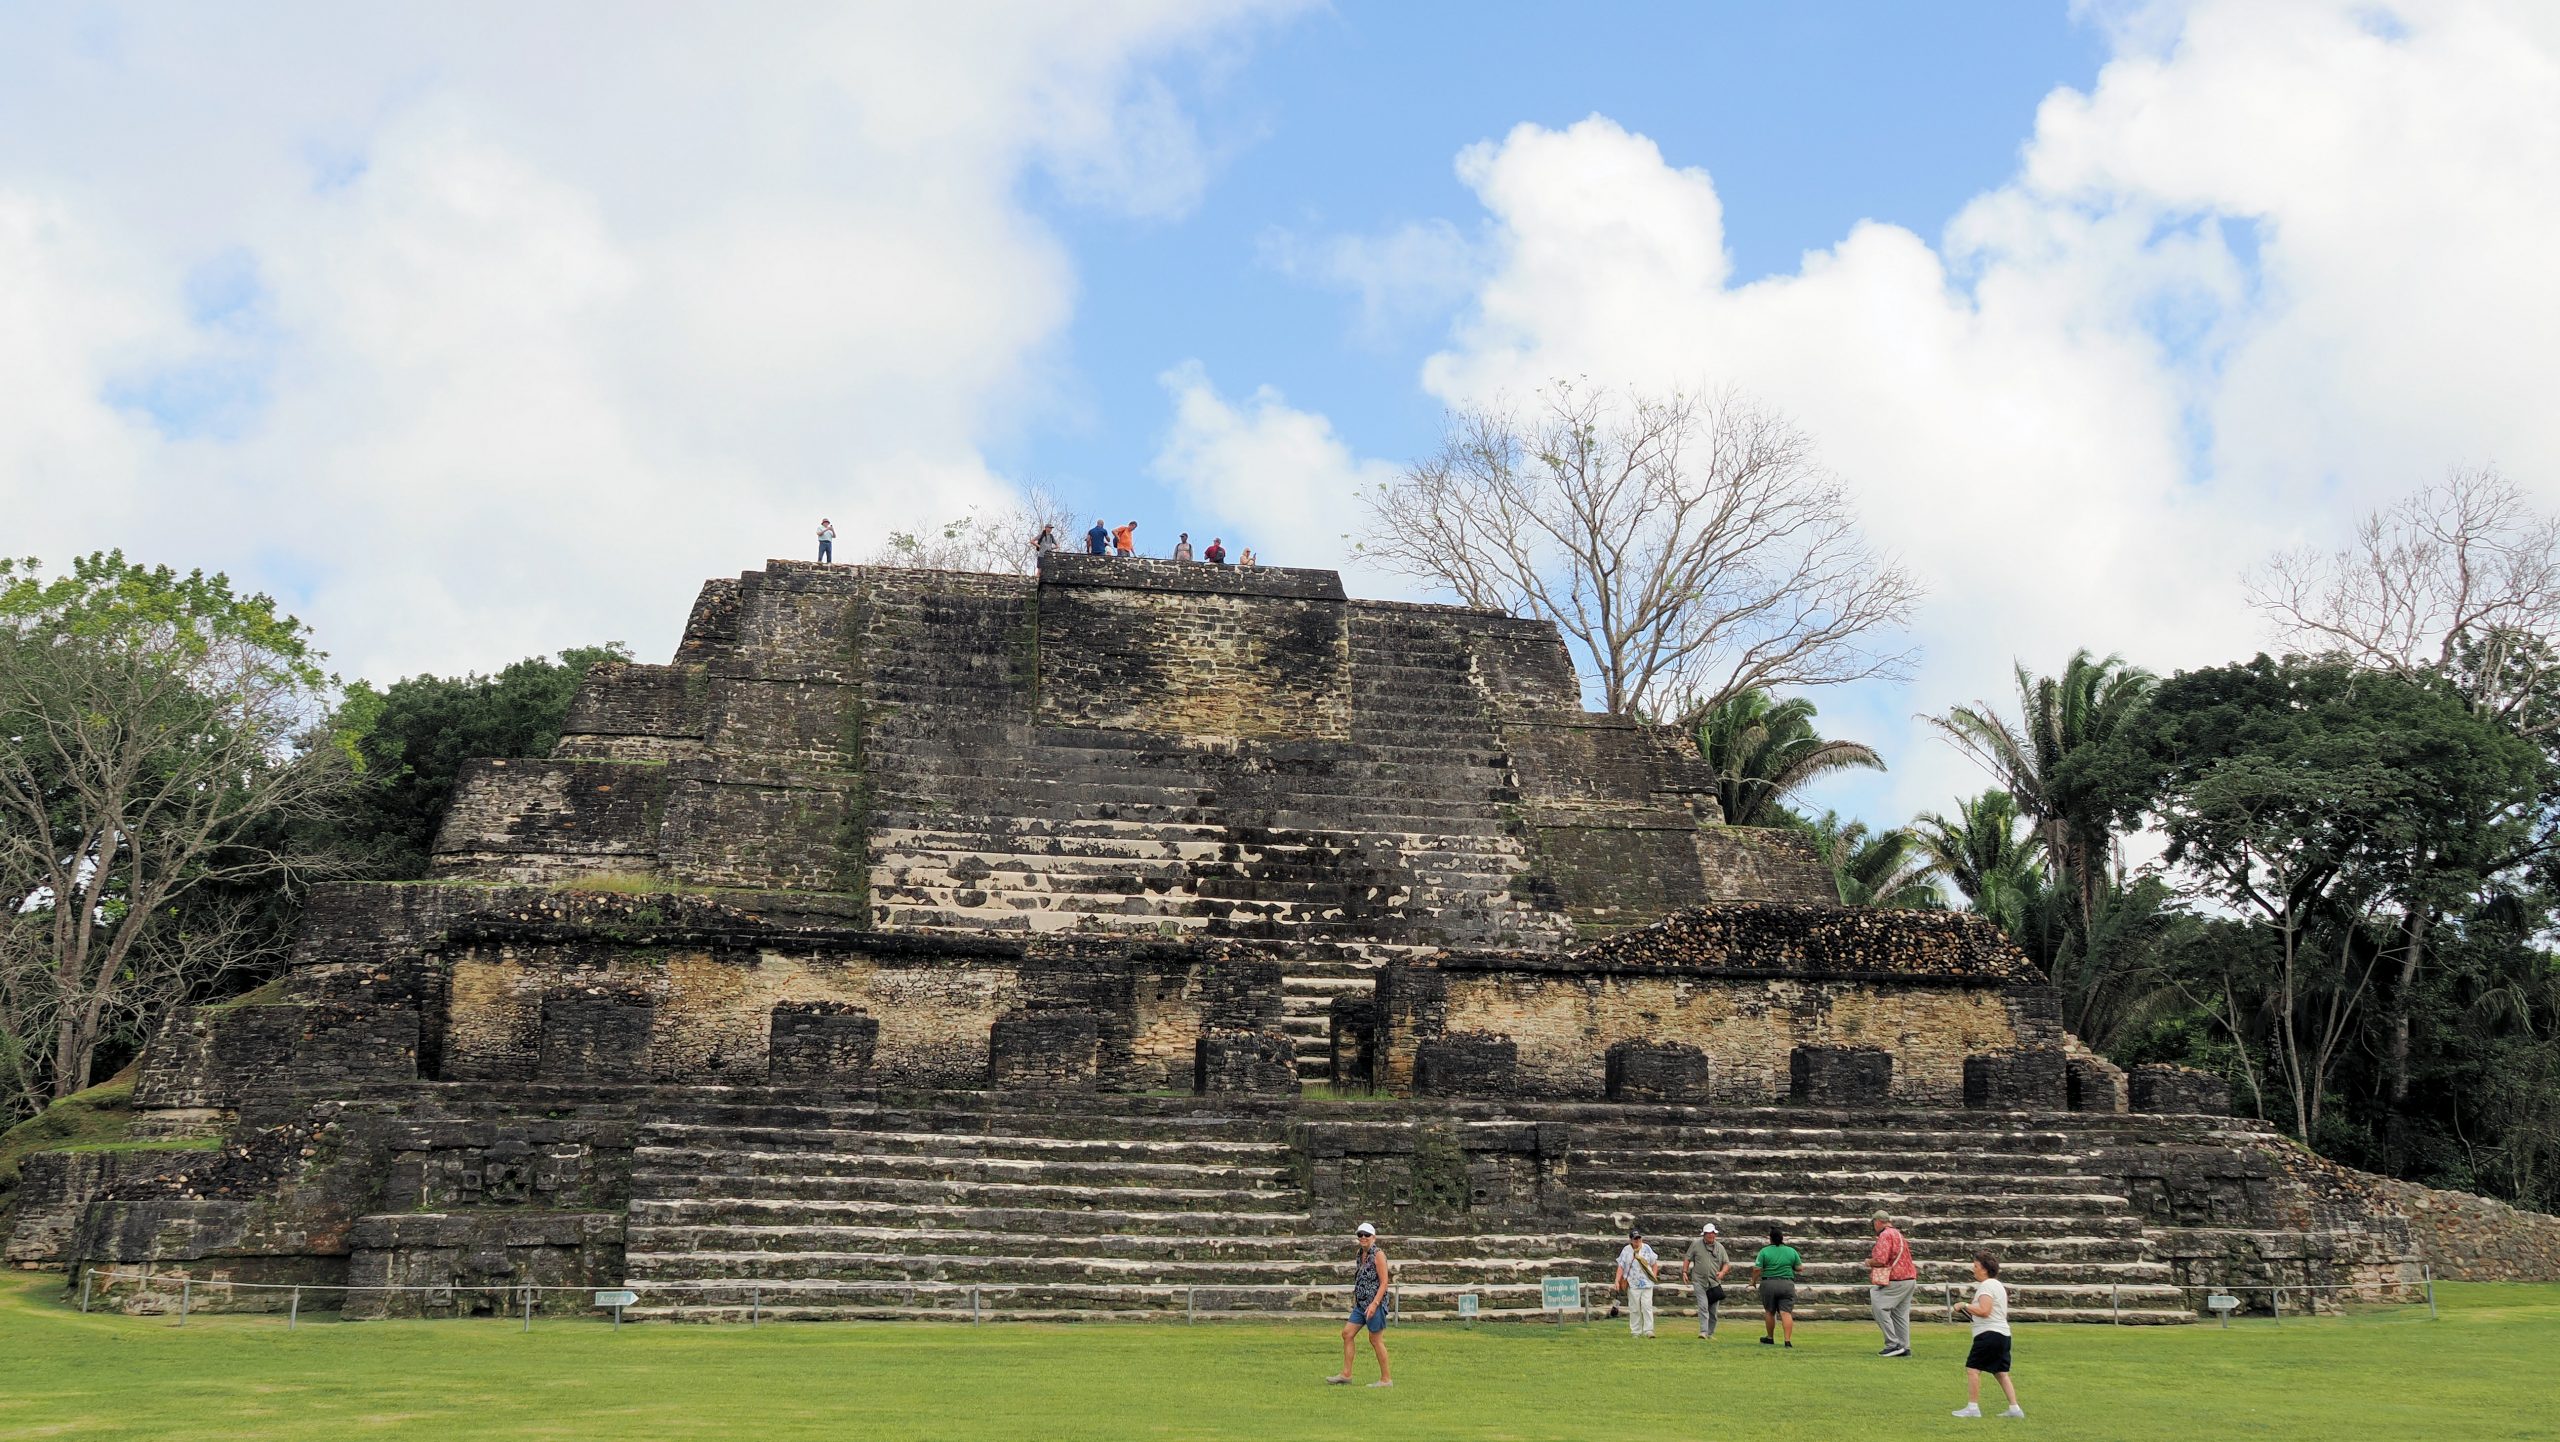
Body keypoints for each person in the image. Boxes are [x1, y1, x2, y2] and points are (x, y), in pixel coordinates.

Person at [1950, 1253, 2022, 1419]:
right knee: (2000, 1372)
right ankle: (2014, 1408)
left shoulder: (1987, 1286)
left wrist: (1965, 1305)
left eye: (1976, 1266)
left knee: (1973, 1369)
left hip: (1989, 1334)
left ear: (1984, 1269)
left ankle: (1973, 1407)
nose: (1973, 1270)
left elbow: (1984, 1310)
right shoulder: (1997, 1285)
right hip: (2003, 1334)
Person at [1326, 1222, 1392, 1387]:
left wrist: (1375, 1304)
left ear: (1373, 1237)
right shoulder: (1360, 1254)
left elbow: (1384, 1283)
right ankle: (1346, 1374)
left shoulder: (1378, 1255)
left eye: (1366, 1235)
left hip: (1374, 1304)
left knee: (1376, 1340)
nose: (1363, 1237)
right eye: (1360, 1235)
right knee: (1347, 1334)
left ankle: (1386, 1379)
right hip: (1361, 1304)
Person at [1868, 1210, 1919, 1357]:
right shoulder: (1898, 1234)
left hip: (1897, 1279)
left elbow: (1880, 1260)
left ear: (1878, 1222)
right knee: (1900, 1314)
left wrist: (1868, 1262)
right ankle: (1904, 1346)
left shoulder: (1885, 1235)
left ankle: (1893, 1343)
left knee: (1878, 1302)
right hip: (1909, 1279)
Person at [1753, 1226, 1801, 1347]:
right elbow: (1799, 1268)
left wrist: (1753, 1281)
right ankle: (1787, 1340)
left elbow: (1757, 1269)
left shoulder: (1765, 1251)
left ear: (1770, 1239)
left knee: (1770, 1311)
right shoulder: (1791, 1251)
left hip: (1769, 1283)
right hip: (1786, 1284)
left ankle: (1770, 1337)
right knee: (1786, 1313)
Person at [1682, 1222, 1731, 1338]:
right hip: (1699, 1280)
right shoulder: (1695, 1245)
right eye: (1708, 1234)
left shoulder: (1720, 1247)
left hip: (1714, 1283)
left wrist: (1722, 1272)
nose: (1711, 1236)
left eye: (1712, 1234)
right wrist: (1684, 1271)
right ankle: (1703, 1331)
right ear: (1704, 1235)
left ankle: (1710, 1333)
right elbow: (1687, 1258)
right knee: (1703, 1306)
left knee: (1713, 1311)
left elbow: (1727, 1263)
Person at [1613, 1227, 1660, 1337]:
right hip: (1633, 1283)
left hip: (1647, 1283)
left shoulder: (1647, 1248)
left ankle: (1648, 1330)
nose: (1637, 1241)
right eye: (1635, 1239)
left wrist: (1653, 1276)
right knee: (1635, 1308)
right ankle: (1636, 1331)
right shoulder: (1626, 1250)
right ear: (1631, 1240)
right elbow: (1621, 1266)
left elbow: (1654, 1263)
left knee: (1647, 1307)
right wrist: (1617, 1281)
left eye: (1639, 1238)